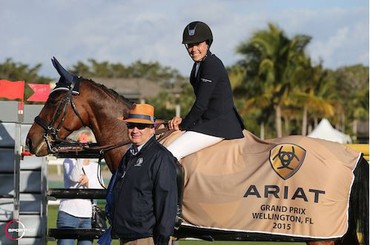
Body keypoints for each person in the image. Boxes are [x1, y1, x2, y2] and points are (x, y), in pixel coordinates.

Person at [167, 21, 245, 160]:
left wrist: (184, 125)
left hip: (218, 124)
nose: (193, 49)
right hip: (207, 121)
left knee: (169, 153)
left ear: (207, 44)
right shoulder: (199, 64)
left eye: (198, 44)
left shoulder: (211, 64)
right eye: (190, 45)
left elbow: (201, 104)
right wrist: (183, 120)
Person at [106, 104, 179, 245]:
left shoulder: (160, 157)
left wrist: (163, 238)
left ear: (152, 129)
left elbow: (166, 200)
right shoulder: (129, 155)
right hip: (127, 235)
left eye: (141, 126)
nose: (135, 130)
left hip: (147, 237)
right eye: (131, 125)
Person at [57, 129, 104, 245]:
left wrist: (88, 182)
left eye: (86, 143)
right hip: (68, 214)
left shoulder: (95, 166)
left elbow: (101, 188)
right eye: (79, 142)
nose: (82, 145)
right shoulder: (69, 161)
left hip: (87, 217)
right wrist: (81, 157)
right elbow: (74, 177)